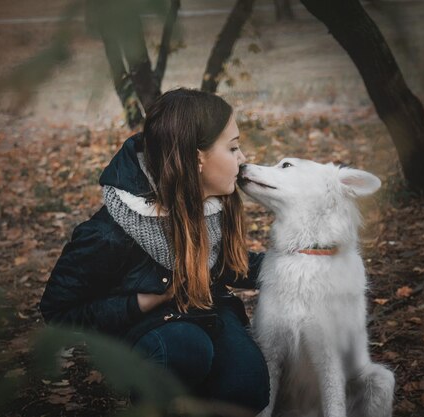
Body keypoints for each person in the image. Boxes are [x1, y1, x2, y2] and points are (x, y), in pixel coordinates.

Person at [39, 88, 270, 412]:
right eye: (233, 148)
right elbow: (59, 311)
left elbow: (224, 266)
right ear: (197, 158)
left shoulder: (211, 203)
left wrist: (299, 264)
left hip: (206, 311)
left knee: (249, 387)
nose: (242, 158)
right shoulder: (111, 233)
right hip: (148, 330)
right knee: (186, 349)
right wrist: (143, 301)